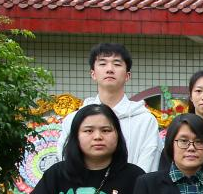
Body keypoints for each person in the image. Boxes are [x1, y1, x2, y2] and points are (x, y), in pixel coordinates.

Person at [58, 43, 161, 173]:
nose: (110, 69)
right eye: (103, 64)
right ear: (93, 74)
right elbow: (66, 160)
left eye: (117, 64)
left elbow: (148, 165)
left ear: (127, 75)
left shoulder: (145, 120)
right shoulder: (74, 119)